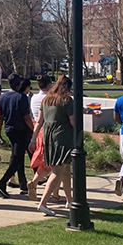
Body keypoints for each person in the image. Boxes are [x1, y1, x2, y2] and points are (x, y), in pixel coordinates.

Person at [30, 76, 75, 215]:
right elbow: (73, 122)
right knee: (57, 170)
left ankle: (69, 200)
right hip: (62, 137)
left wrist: (33, 139)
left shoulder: (46, 100)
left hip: (47, 136)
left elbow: (39, 122)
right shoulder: (67, 101)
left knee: (65, 169)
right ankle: (43, 203)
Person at [0, 73, 33, 198]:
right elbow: (26, 117)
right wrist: (34, 129)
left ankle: (23, 184)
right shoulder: (21, 97)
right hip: (21, 130)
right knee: (16, 159)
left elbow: (1, 117)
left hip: (9, 130)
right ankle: (1, 183)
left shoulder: (3, 97)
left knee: (18, 157)